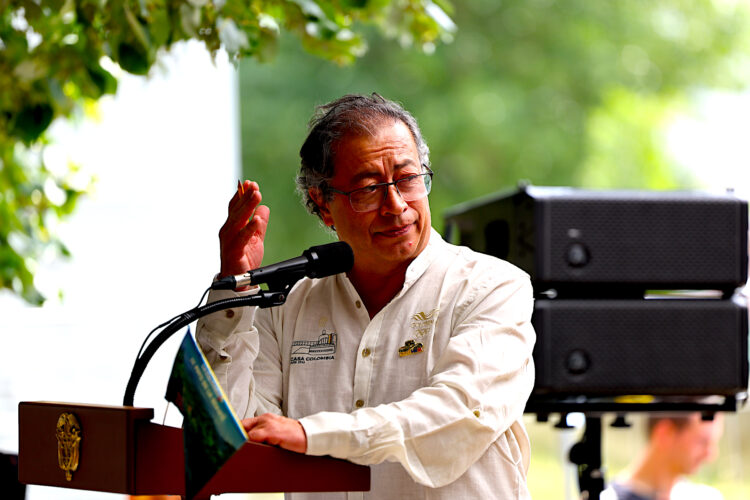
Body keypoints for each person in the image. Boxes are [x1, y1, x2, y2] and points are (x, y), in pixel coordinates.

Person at [196, 93, 536, 499]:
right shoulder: (287, 305)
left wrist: (311, 434)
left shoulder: (492, 287)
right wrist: (235, 286)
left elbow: (458, 414)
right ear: (323, 205)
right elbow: (235, 433)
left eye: (408, 178)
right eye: (369, 189)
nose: (396, 206)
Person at [601, 412, 725, 500]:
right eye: (702, 442)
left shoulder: (706, 496)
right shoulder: (607, 497)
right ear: (665, 433)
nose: (711, 455)